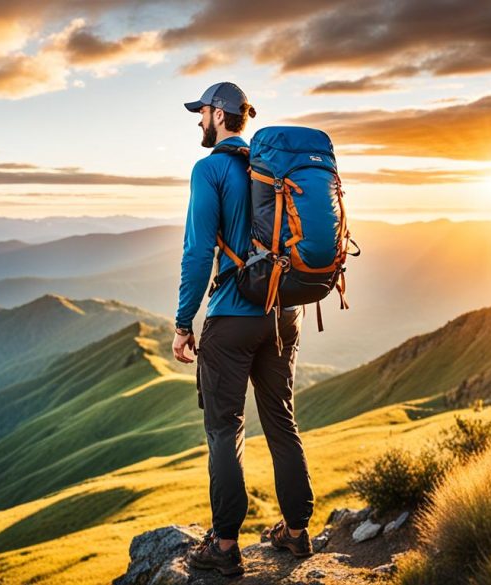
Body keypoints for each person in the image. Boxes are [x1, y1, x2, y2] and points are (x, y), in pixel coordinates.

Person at [173, 81, 315, 577]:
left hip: (233, 318)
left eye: (202, 113)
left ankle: (226, 545)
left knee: (224, 429)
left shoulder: (209, 170)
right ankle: (297, 533)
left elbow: (197, 253)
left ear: (218, 113)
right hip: (283, 314)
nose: (198, 121)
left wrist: (182, 323)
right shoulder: (273, 169)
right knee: (281, 421)